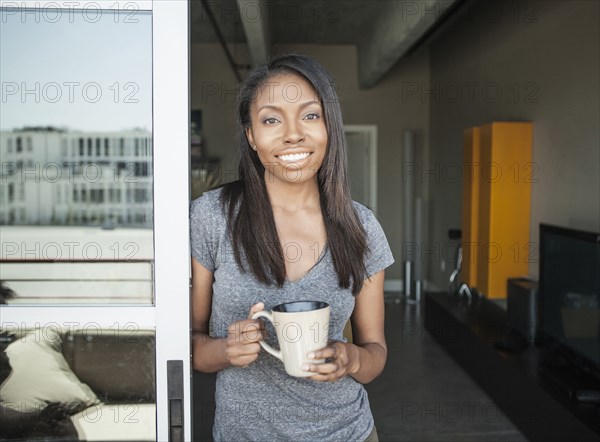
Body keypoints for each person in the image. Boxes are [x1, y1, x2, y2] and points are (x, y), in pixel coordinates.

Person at [191, 54, 394, 442]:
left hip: (348, 432)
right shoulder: (211, 217)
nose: (293, 134)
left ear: (329, 127)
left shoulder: (361, 227)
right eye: (271, 119)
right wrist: (225, 350)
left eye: (310, 115)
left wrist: (350, 358)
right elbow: (188, 345)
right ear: (251, 135)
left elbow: (375, 354)